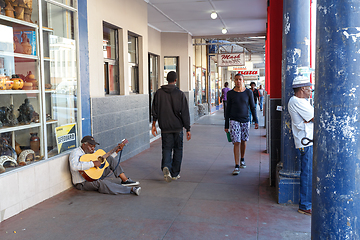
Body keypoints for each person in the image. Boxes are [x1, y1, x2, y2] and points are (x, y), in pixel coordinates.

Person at [152, 71, 191, 182]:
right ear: (175, 80)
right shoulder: (180, 94)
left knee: (166, 149)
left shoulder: (159, 93)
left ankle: (166, 166)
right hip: (177, 127)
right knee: (178, 150)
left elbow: (154, 110)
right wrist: (188, 128)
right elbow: (184, 112)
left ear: (167, 79)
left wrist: (154, 124)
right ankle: (174, 173)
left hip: (165, 127)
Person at [69, 135, 141, 195]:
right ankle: (131, 189)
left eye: (94, 146)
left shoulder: (92, 152)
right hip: (83, 182)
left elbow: (104, 162)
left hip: (95, 175)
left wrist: (116, 152)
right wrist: (93, 163)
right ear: (84, 145)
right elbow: (74, 166)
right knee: (102, 183)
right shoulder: (75, 152)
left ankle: (125, 180)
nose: (93, 148)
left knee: (108, 158)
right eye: (91, 146)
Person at [288, 75, 314, 216]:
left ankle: (306, 203)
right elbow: (314, 117)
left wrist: (308, 121)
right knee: (307, 174)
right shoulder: (297, 101)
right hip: (306, 141)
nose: (311, 90)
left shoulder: (301, 101)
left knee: (308, 172)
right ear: (302, 89)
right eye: (309, 88)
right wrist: (308, 121)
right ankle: (305, 205)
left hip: (307, 140)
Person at [225, 74, 258, 175]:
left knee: (243, 141)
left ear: (243, 80)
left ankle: (242, 158)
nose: (238, 81)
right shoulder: (230, 93)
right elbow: (228, 109)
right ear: (234, 81)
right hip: (234, 120)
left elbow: (252, 107)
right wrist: (226, 125)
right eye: (236, 80)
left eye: (240, 79)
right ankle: (236, 165)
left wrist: (256, 120)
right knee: (236, 142)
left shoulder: (248, 92)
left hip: (245, 120)